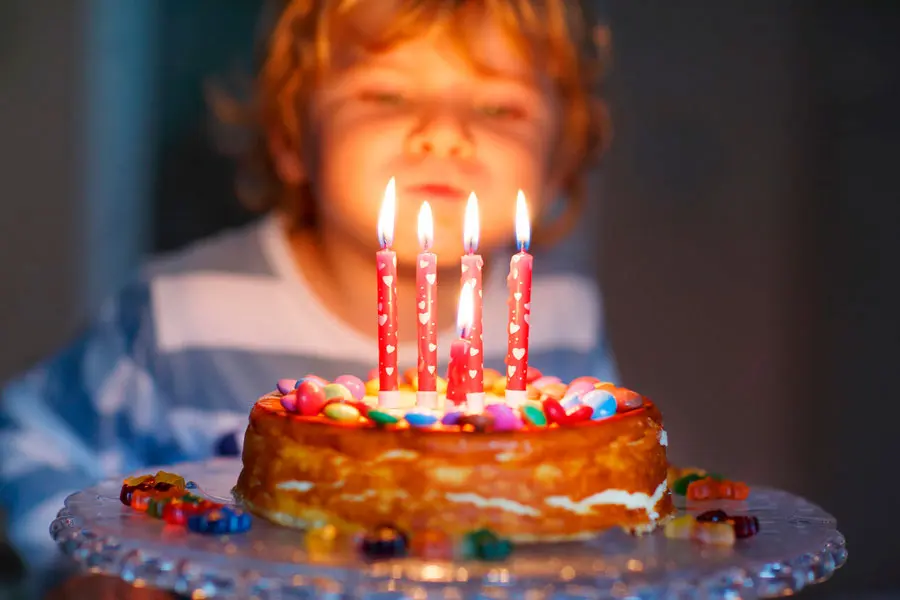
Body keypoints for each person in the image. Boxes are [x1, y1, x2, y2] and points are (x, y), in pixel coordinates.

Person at [0, 0, 617, 582]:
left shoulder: (562, 318)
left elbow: (598, 503)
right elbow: (25, 438)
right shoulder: (188, 313)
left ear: (559, 161)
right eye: (387, 94)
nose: (444, 132)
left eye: (499, 108)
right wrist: (86, 570)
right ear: (295, 140)